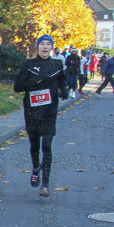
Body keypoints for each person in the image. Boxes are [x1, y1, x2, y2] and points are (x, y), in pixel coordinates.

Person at [13, 35, 68, 198]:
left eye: (48, 44)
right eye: (42, 44)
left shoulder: (57, 64)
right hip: (32, 111)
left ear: (52, 48)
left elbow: (62, 81)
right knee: (34, 145)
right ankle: (36, 167)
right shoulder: (29, 65)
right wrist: (33, 82)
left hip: (49, 111)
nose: (45, 47)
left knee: (47, 145)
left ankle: (45, 184)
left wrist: (64, 90)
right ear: (37, 47)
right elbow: (17, 87)